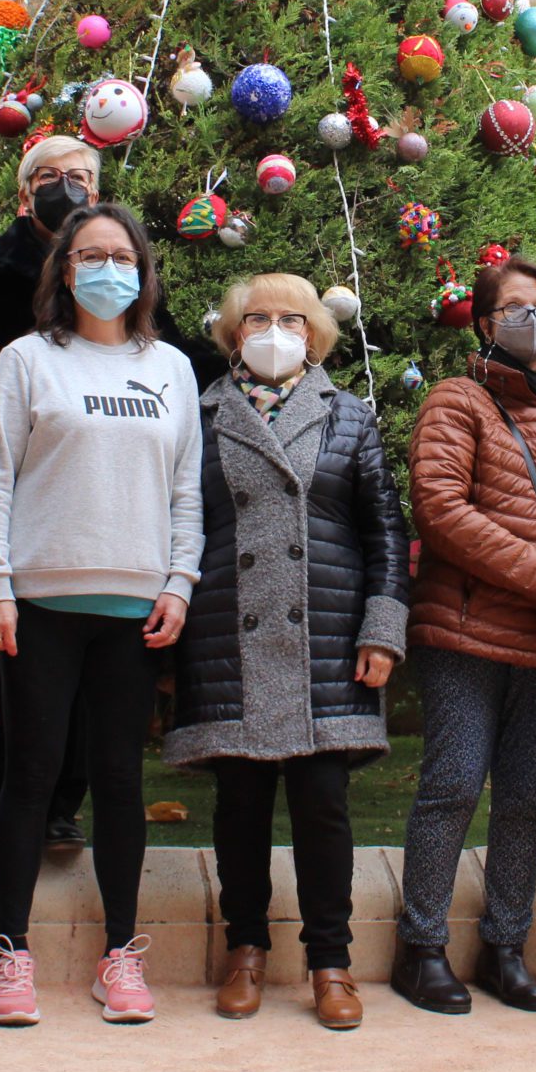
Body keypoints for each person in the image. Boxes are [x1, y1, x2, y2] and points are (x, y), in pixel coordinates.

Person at [0, 133, 224, 847]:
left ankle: (63, 813)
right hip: (19, 513)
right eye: (52, 176)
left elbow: (177, 393)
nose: (69, 187)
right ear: (24, 190)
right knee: (19, 704)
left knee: (102, 722)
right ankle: (11, 812)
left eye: (82, 177)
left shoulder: (147, 331)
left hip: (117, 537)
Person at [0, 204, 200, 1027]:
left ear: (142, 270)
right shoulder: (27, 359)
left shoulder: (171, 366)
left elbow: (186, 488)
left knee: (120, 781)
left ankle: (121, 954)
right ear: (64, 270)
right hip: (37, 598)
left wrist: (180, 581)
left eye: (122, 254)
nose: (107, 267)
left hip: (135, 604)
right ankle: (11, 950)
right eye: (89, 254)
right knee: (28, 776)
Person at [167, 273, 409, 1031]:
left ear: (317, 333)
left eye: (291, 318)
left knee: (323, 807)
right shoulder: (197, 415)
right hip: (226, 632)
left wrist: (381, 628)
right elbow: (178, 521)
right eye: (257, 317)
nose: (274, 329)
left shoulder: (351, 417)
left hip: (329, 638)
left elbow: (386, 533)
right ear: (233, 332)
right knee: (238, 805)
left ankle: (329, 961)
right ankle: (244, 948)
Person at [391, 258, 536, 1018]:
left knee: (526, 798)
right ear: (486, 323)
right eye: (514, 307)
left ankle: (505, 946)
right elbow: (441, 508)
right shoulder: (456, 402)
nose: (533, 318)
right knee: (453, 786)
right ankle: (421, 947)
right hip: (467, 632)